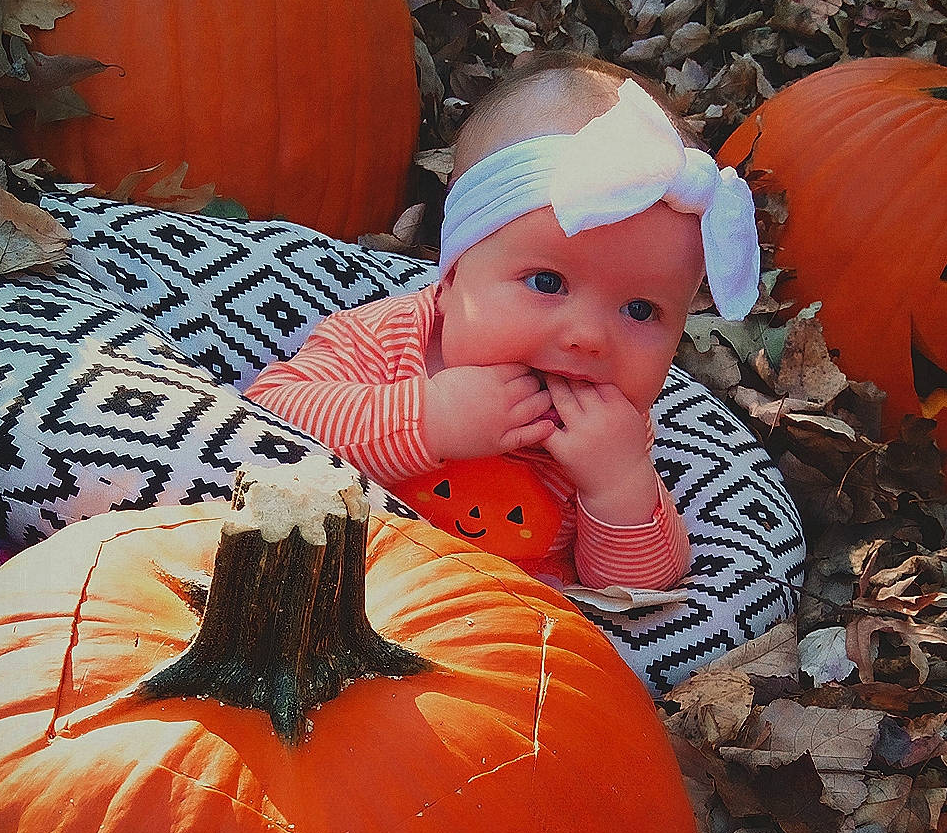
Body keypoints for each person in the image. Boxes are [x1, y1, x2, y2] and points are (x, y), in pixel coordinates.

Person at [245, 54, 760, 590]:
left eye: (640, 310)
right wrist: (429, 416)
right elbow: (267, 421)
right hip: (329, 592)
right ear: (451, 279)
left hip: (496, 640)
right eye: (546, 283)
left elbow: (637, 594)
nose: (587, 338)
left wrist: (619, 487)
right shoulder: (388, 340)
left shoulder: (611, 432)